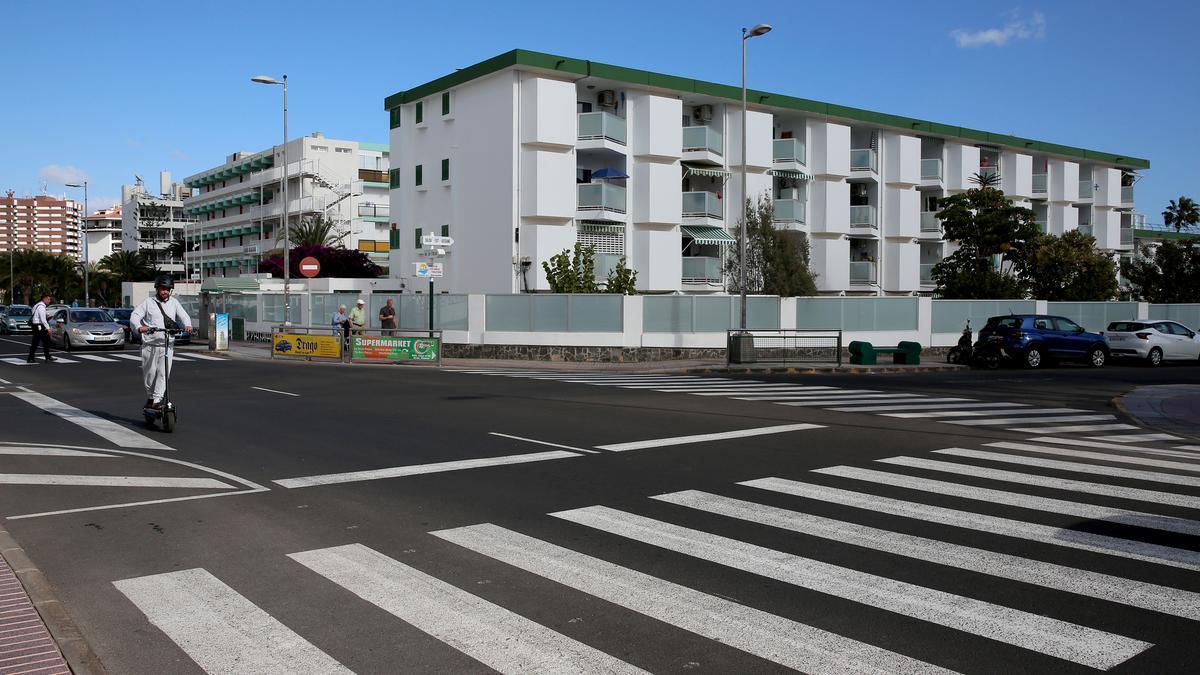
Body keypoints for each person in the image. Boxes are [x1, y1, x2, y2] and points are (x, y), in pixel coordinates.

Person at [129, 275, 192, 410]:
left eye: (167, 289)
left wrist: (188, 324)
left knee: (164, 373)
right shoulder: (148, 302)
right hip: (149, 344)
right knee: (150, 373)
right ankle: (151, 397)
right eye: (162, 289)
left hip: (167, 344)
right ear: (157, 289)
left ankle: (157, 400)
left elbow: (184, 315)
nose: (165, 292)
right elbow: (135, 315)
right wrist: (139, 327)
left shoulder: (174, 303)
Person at [27, 292, 54, 363]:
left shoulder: (37, 305)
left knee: (43, 341)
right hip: (39, 326)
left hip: (36, 325)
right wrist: (48, 328)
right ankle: (31, 358)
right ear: (44, 299)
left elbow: (34, 313)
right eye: (48, 299)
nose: (49, 301)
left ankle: (46, 357)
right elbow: (43, 319)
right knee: (40, 342)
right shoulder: (41, 307)